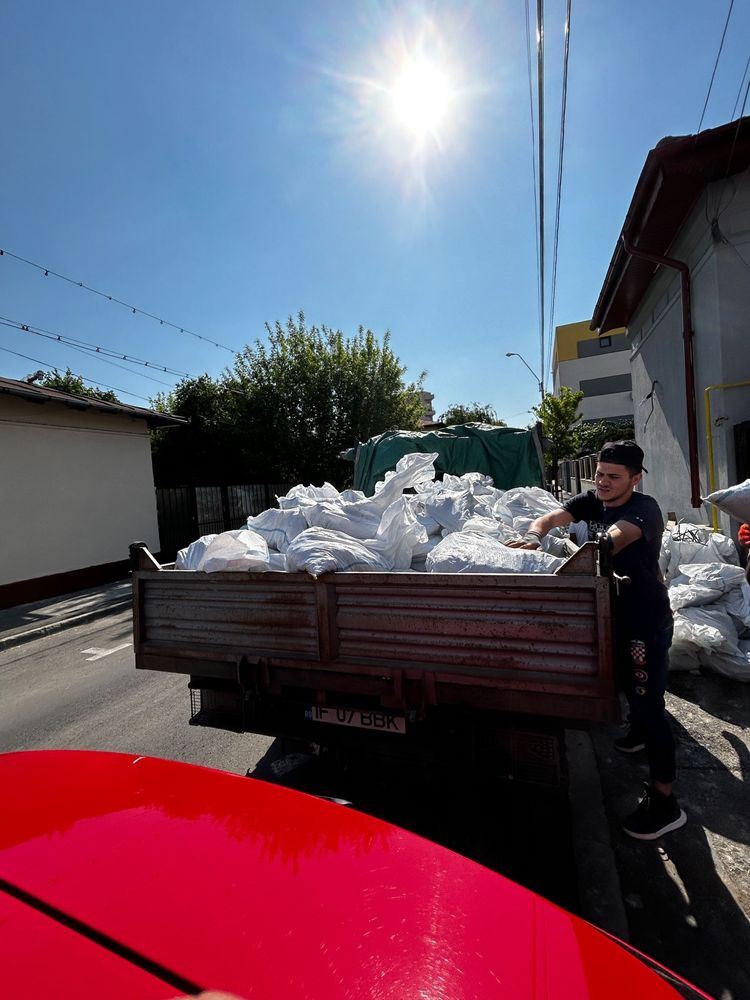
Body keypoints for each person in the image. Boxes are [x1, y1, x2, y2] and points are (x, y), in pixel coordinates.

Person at [508, 440, 686, 840]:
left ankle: (665, 802)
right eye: (600, 474)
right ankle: (638, 735)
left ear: (635, 479)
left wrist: (562, 556)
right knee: (627, 687)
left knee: (650, 704)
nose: (603, 483)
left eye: (614, 477)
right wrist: (536, 535)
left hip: (644, 620)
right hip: (614, 617)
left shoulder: (644, 509)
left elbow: (610, 544)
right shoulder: (595, 499)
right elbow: (551, 518)